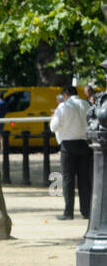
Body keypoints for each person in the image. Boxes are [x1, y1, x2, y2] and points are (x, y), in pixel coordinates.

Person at [50, 85, 91, 220]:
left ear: (66, 94)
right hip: (85, 143)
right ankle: (86, 211)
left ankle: (69, 212)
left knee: (68, 180)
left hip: (68, 144)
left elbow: (53, 127)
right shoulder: (86, 104)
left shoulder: (63, 106)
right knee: (84, 180)